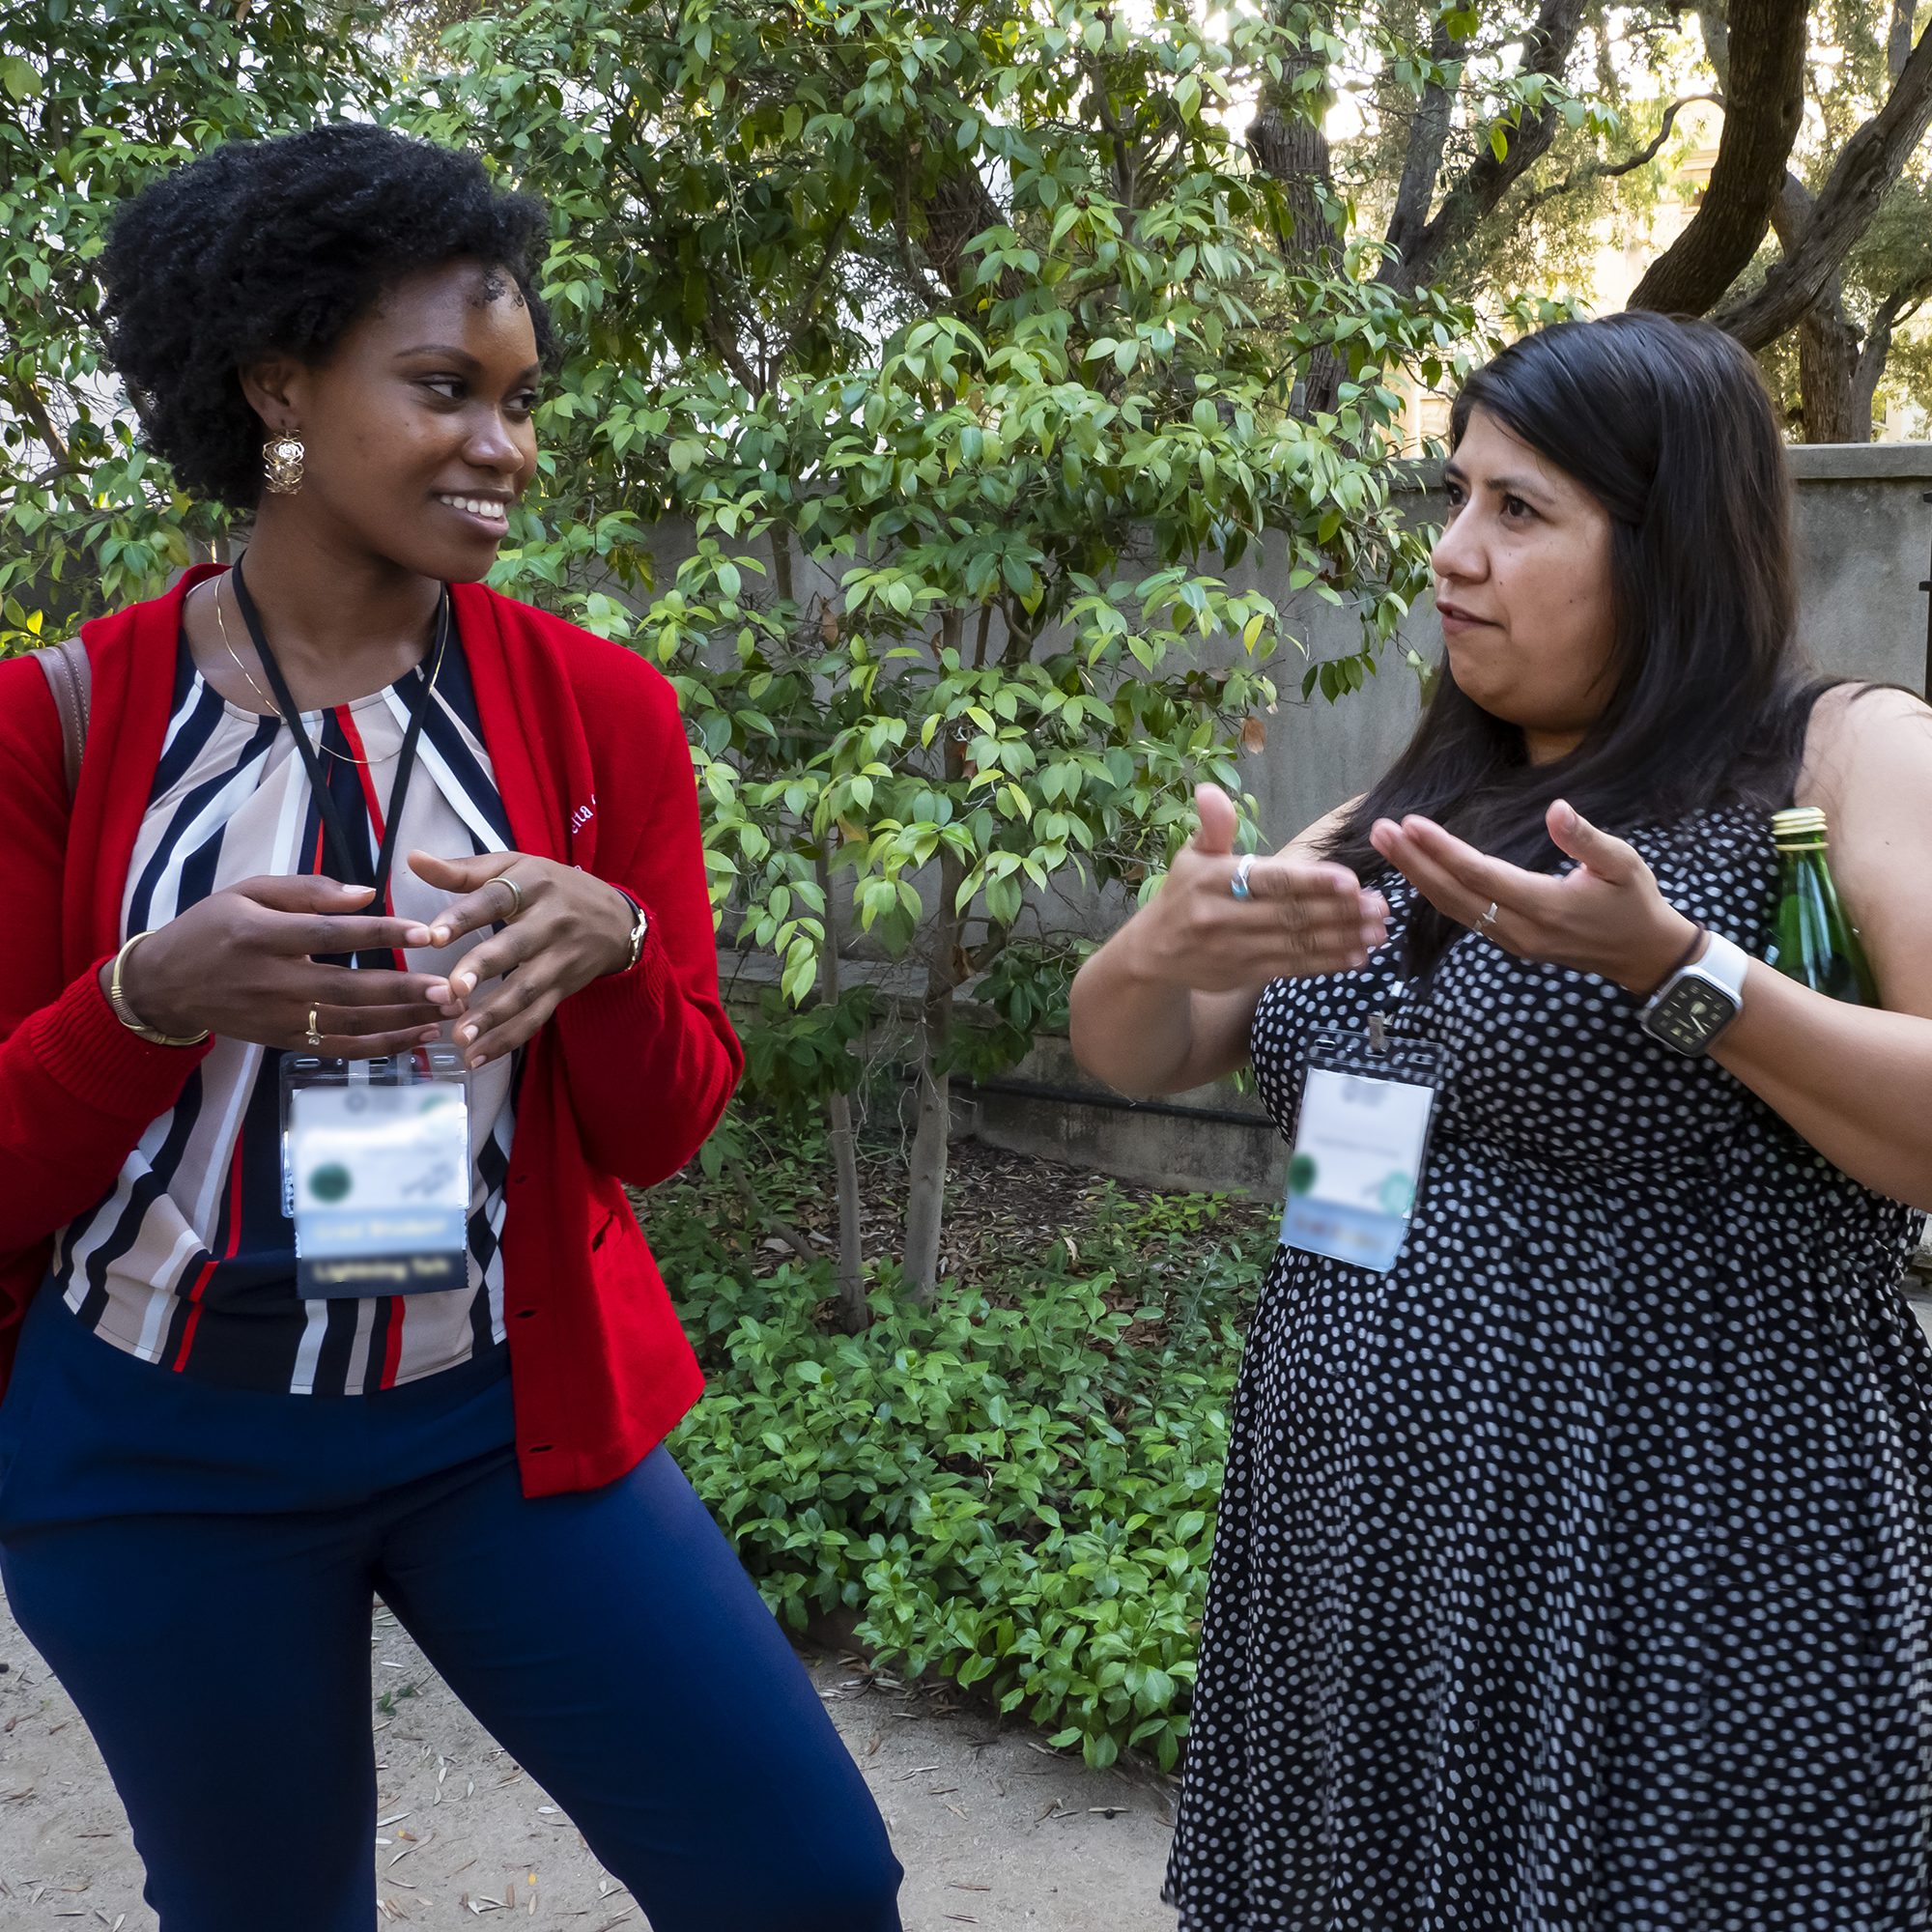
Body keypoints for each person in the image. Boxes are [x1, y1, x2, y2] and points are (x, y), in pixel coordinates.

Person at [0, 126, 902, 1932]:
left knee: (802, 1880)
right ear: (277, 384)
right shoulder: (63, 719)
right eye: (442, 389)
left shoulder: (596, 715)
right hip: (161, 1445)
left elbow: (659, 1130)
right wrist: (141, 1004)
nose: (503, 448)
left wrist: (616, 946)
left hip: (501, 1421)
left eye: (519, 399)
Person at [1070, 313, 1932, 1929]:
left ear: (1669, 541)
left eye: (1519, 511)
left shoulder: (1838, 753)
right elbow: (1140, 1044)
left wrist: (1679, 969)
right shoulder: (1410, 794)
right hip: (1364, 1530)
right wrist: (1153, 944)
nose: (1455, 556)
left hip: (1677, 1529)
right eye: (1455, 498)